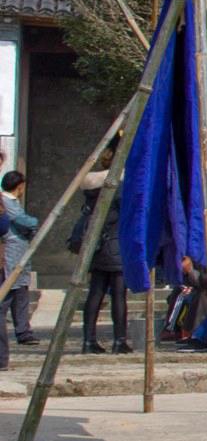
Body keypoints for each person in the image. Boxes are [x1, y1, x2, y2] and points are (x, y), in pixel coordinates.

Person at [76, 147, 129, 355]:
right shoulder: (120, 186)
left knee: (95, 293)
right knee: (118, 294)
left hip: (95, 245)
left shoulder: (91, 187)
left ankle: (88, 340)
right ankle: (120, 340)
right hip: (116, 243)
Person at [2, 171, 40, 345]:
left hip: (20, 252)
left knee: (21, 291)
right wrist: (34, 223)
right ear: (20, 186)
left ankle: (23, 331)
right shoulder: (6, 202)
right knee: (9, 291)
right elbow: (22, 221)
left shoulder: (12, 202)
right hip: (11, 253)